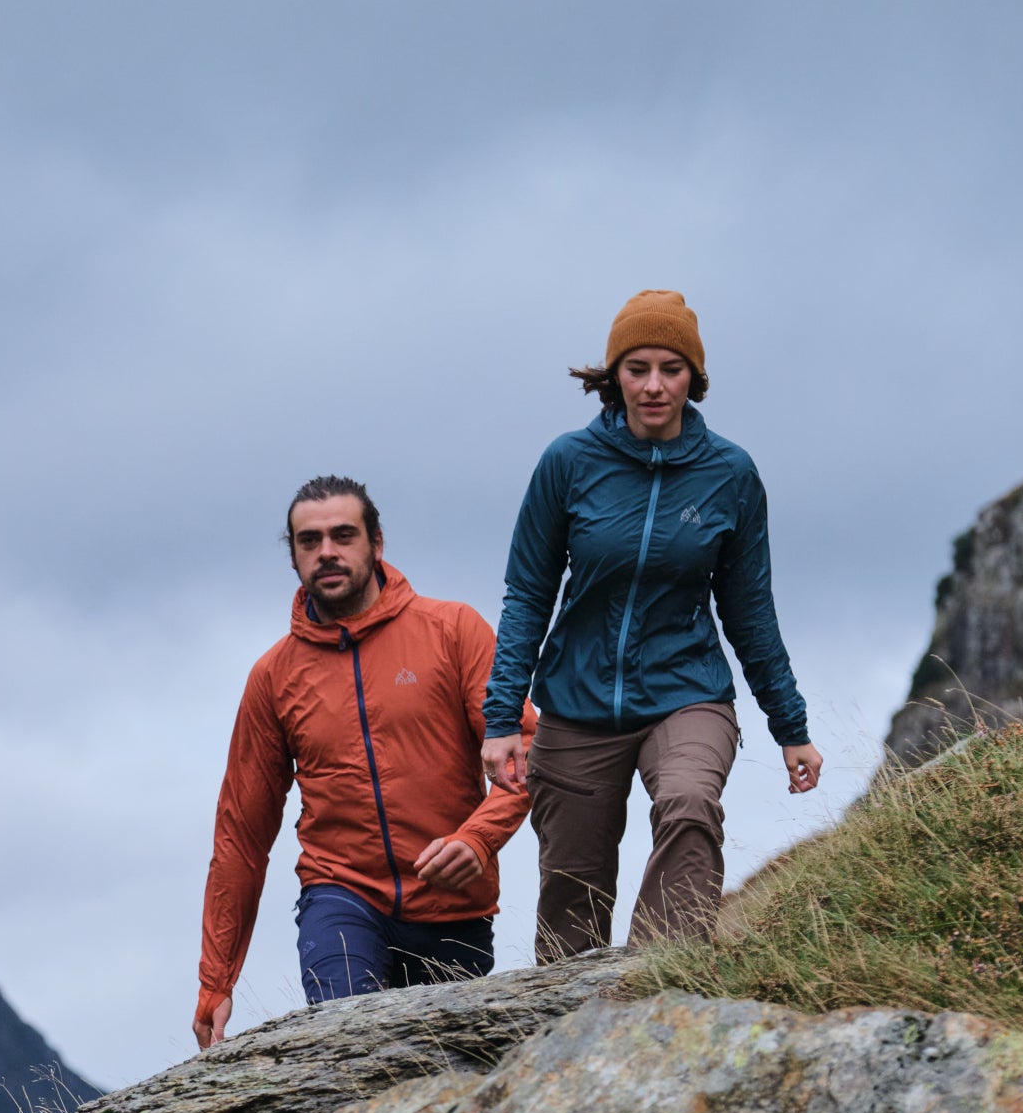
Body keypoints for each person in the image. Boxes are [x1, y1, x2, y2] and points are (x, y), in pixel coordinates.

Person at [481, 289, 823, 959]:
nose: (655, 385)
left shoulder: (730, 474)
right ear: (615, 377)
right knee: (572, 887)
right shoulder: (568, 464)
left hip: (686, 689)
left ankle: (661, 982)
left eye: (672, 368)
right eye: (637, 368)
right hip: (576, 701)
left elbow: (750, 612)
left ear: (695, 377)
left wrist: (792, 727)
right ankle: (566, 1032)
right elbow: (528, 594)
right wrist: (501, 720)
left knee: (690, 805)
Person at [194, 476, 535, 1049]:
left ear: (377, 543)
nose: (326, 551)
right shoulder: (274, 677)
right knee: (353, 1051)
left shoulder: (453, 631)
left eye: (343, 535)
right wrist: (216, 978)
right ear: (295, 555)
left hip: (453, 906)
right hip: (341, 894)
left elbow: (527, 758)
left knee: (445, 1076)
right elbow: (241, 835)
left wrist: (478, 840)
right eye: (309, 541)